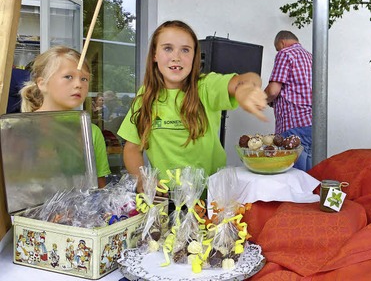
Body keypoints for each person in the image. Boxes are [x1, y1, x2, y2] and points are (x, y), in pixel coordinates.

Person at [118, 20, 267, 188]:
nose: (176, 57)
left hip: (211, 199)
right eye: (168, 48)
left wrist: (245, 88)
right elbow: (132, 148)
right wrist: (143, 181)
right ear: (154, 54)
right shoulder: (145, 96)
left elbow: (247, 78)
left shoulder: (206, 86)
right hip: (166, 199)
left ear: (195, 56)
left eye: (185, 50)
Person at [20, 46, 111, 188]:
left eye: (84, 79)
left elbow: (99, 188)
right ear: (42, 83)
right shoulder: (19, 130)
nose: (78, 84)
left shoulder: (91, 132)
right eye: (68, 76)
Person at [265, 30, 313, 171]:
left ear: (282, 43)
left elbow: (273, 90)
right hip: (312, 125)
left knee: (295, 178)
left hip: (293, 125)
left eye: (277, 48)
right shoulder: (311, 57)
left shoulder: (285, 53)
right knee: (311, 178)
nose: (277, 51)